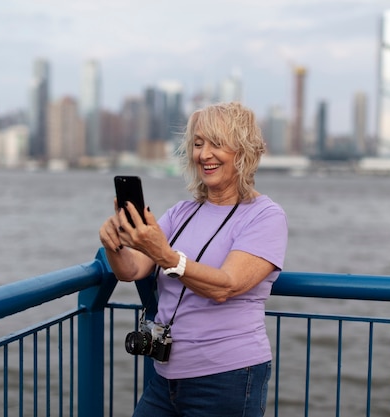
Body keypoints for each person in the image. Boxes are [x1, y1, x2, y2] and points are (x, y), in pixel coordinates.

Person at [99, 101, 288, 417]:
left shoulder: (265, 217)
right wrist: (114, 245)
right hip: (166, 380)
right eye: (198, 144)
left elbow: (225, 287)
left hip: (228, 377)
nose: (204, 154)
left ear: (244, 151)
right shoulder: (182, 212)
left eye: (217, 143)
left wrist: (165, 255)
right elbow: (132, 270)